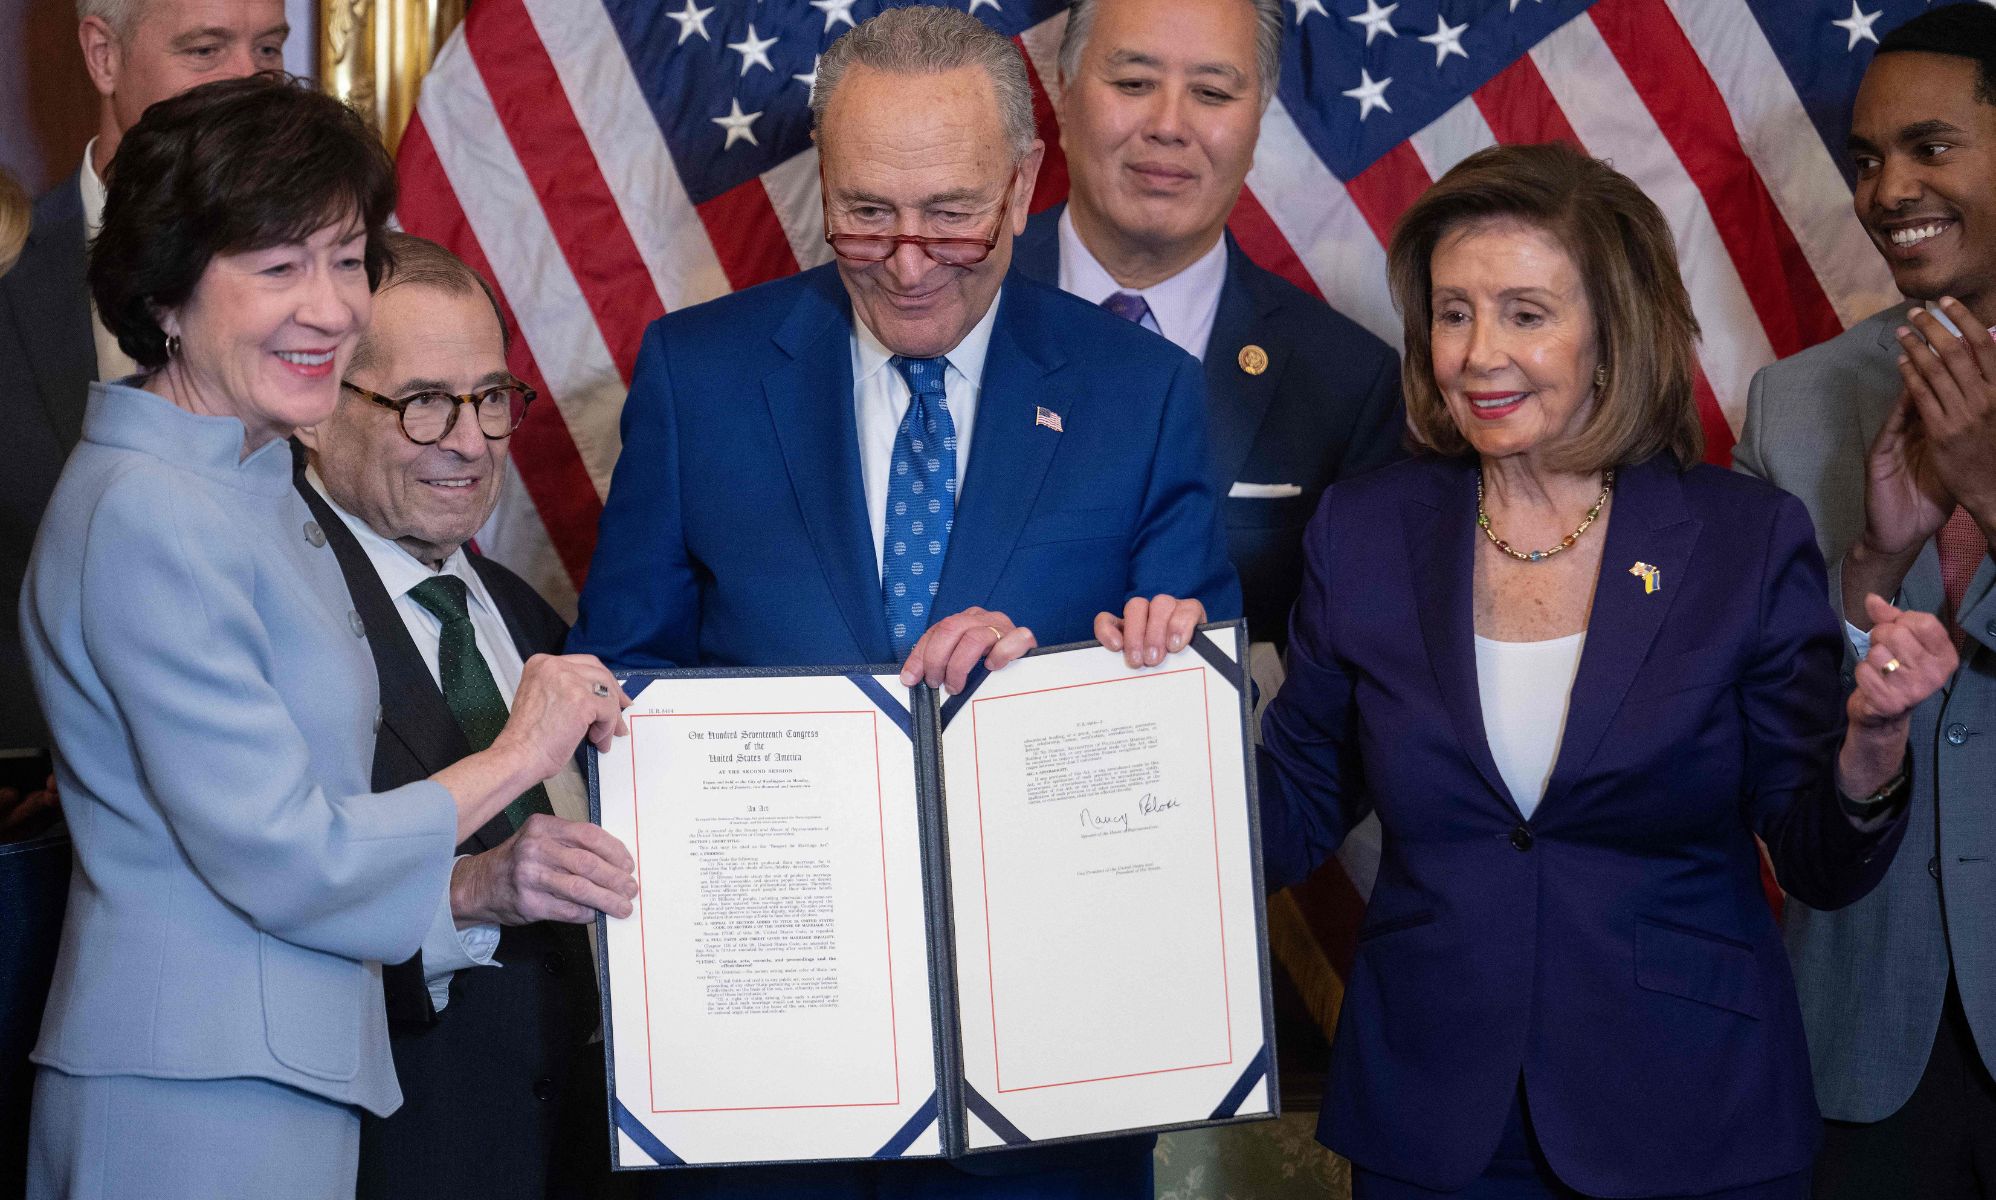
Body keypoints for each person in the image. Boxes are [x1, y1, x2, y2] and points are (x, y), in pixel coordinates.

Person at [569, 7, 1238, 1197]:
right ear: (820, 180)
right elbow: (618, 687)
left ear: (1027, 180)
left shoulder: (1142, 397)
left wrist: (1071, 684)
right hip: (768, 1085)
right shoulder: (698, 378)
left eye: (950, 213)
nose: (910, 257)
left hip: (1048, 1096)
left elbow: (1191, 753)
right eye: (867, 213)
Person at [1244, 142, 1953, 1200]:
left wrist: (1873, 743)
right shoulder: (1365, 530)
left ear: (1614, 335)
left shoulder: (1741, 539)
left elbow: (1815, 858)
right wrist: (1131, 721)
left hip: (1691, 1112)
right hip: (1433, 1117)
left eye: (1525, 313)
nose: (1477, 353)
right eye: (1451, 312)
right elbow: (1292, 808)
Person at [21, 75, 626, 1200]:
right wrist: (520, 755)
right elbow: (294, 855)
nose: (333, 307)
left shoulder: (241, 481)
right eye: (277, 266)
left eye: (346, 258)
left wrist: (478, 895)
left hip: (274, 1079)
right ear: (167, 292)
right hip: (188, 1105)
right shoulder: (149, 506)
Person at [293, 231, 635, 1200]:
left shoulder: (531, 623)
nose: (472, 438)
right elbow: (265, 922)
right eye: (425, 402)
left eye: (490, 398)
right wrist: (471, 889)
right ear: (318, 411)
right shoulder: (271, 616)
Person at [1734, 6, 1996, 1195]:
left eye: (1929, 149)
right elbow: (1774, 739)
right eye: (1867, 158)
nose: (1889, 190)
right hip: (1860, 1040)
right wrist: (1870, 579)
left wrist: (1987, 495)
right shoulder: (1793, 404)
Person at [1014, 0, 1402, 654]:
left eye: (1212, 92)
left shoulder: (1347, 384)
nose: (1169, 126)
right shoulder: (948, 307)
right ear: (1064, 86)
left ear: (1260, 114)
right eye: (1134, 84)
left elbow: (1349, 669)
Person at [0, 0, 288, 781]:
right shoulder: (10, 277)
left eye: (267, 49)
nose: (248, 81)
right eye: (204, 49)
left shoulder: (343, 293)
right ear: (103, 55)